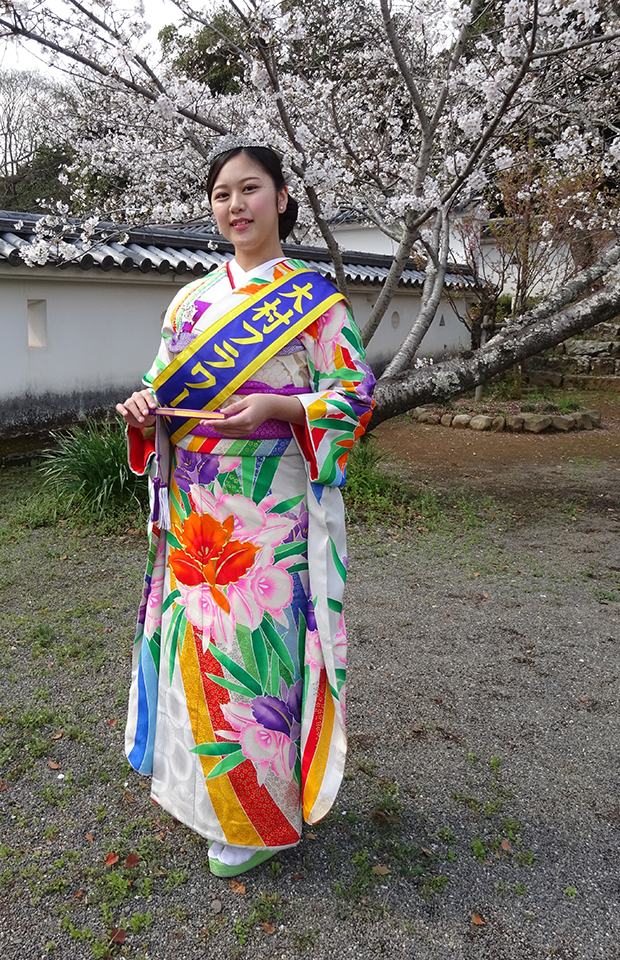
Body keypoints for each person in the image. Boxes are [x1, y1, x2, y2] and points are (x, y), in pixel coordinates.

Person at [116, 138, 376, 877]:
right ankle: (200, 798)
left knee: (257, 660)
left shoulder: (317, 303)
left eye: (251, 188)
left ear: (282, 199)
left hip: (271, 513)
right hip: (196, 508)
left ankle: (259, 818)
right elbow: (163, 387)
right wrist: (143, 411)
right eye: (222, 193)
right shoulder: (189, 302)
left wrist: (280, 405)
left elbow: (355, 396)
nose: (236, 205)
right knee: (195, 652)